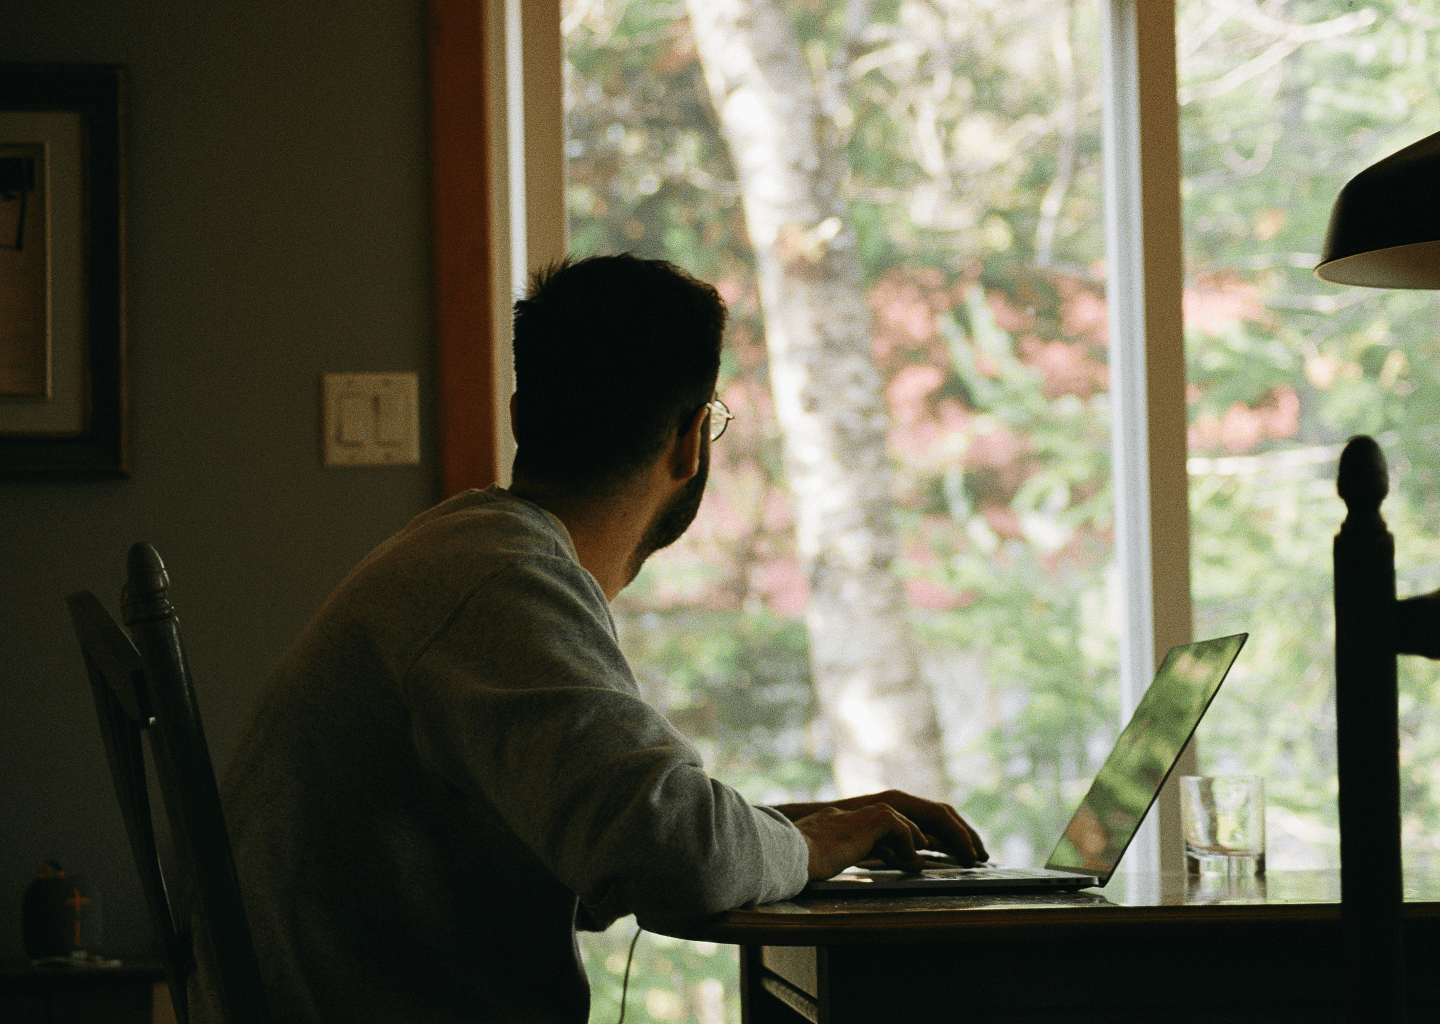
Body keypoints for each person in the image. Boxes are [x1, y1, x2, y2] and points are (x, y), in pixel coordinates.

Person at [195, 254, 987, 1024]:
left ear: (519, 417)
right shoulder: (501, 582)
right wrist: (806, 849)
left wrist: (799, 832)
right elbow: (677, 856)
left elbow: (629, 828)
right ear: (690, 443)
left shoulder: (464, 555)